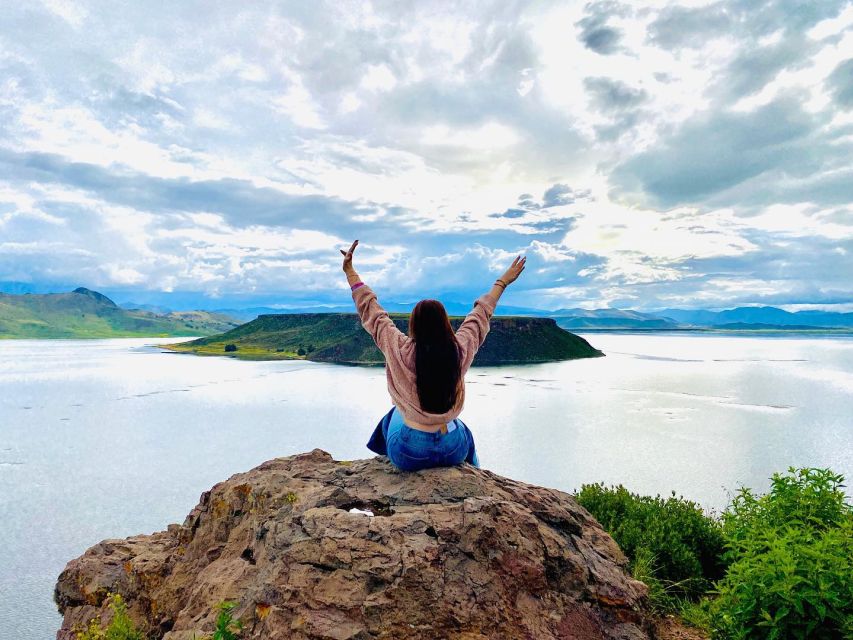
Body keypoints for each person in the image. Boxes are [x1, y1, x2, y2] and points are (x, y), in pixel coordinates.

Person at [340, 239, 526, 471]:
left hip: (410, 454)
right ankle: (475, 472)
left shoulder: (399, 348)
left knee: (391, 418)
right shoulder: (458, 349)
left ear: (413, 324)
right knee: (464, 430)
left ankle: (384, 468)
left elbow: (372, 311)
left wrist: (350, 272)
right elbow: (481, 314)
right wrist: (503, 282)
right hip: (452, 450)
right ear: (445, 323)